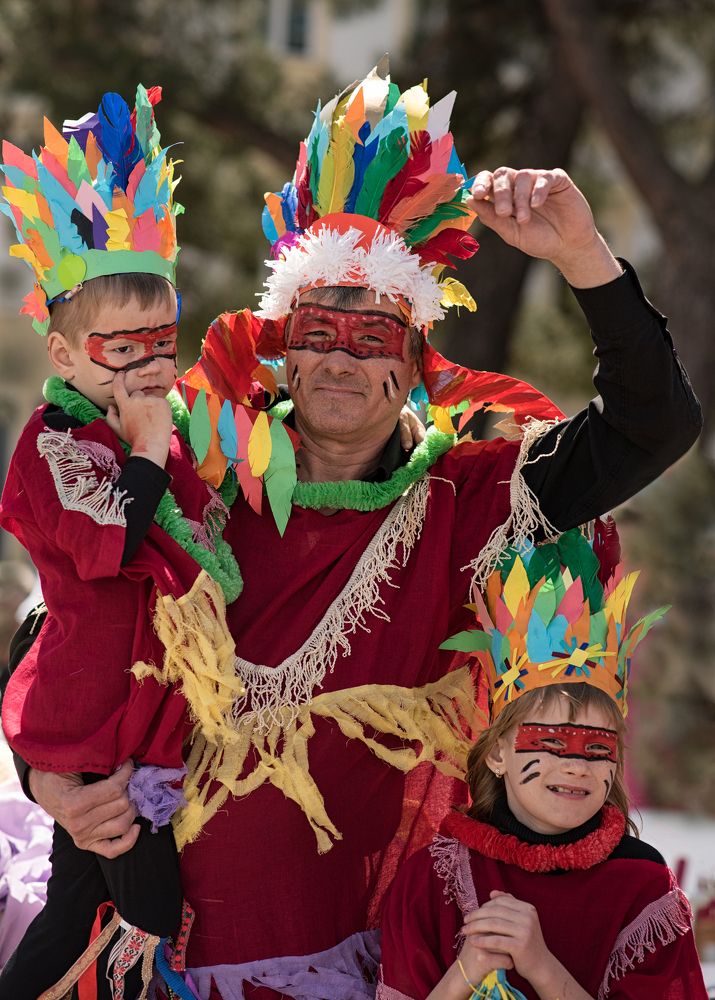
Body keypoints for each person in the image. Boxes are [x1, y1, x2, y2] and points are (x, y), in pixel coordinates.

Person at [17, 63, 702, 999]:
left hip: (328, 961)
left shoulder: (476, 501)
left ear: (417, 360)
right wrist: (47, 782)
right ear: (283, 340)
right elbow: (51, 622)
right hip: (127, 941)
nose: (338, 355)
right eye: (317, 328)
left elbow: (649, 425)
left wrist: (581, 255)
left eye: (372, 336)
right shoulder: (191, 465)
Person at [0, 86, 244, 999]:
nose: (148, 368)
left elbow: (202, 541)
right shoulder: (55, 444)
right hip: (91, 702)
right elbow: (108, 543)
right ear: (64, 358)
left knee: (79, 907)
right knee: (143, 900)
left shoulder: (159, 434)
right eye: (120, 351)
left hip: (150, 704)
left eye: (160, 345)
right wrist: (147, 449)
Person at [377, 527, 708, 999]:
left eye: (598, 748)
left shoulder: (643, 887)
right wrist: (467, 970)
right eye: (551, 742)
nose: (577, 767)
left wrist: (540, 964)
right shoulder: (433, 878)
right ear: (497, 753)